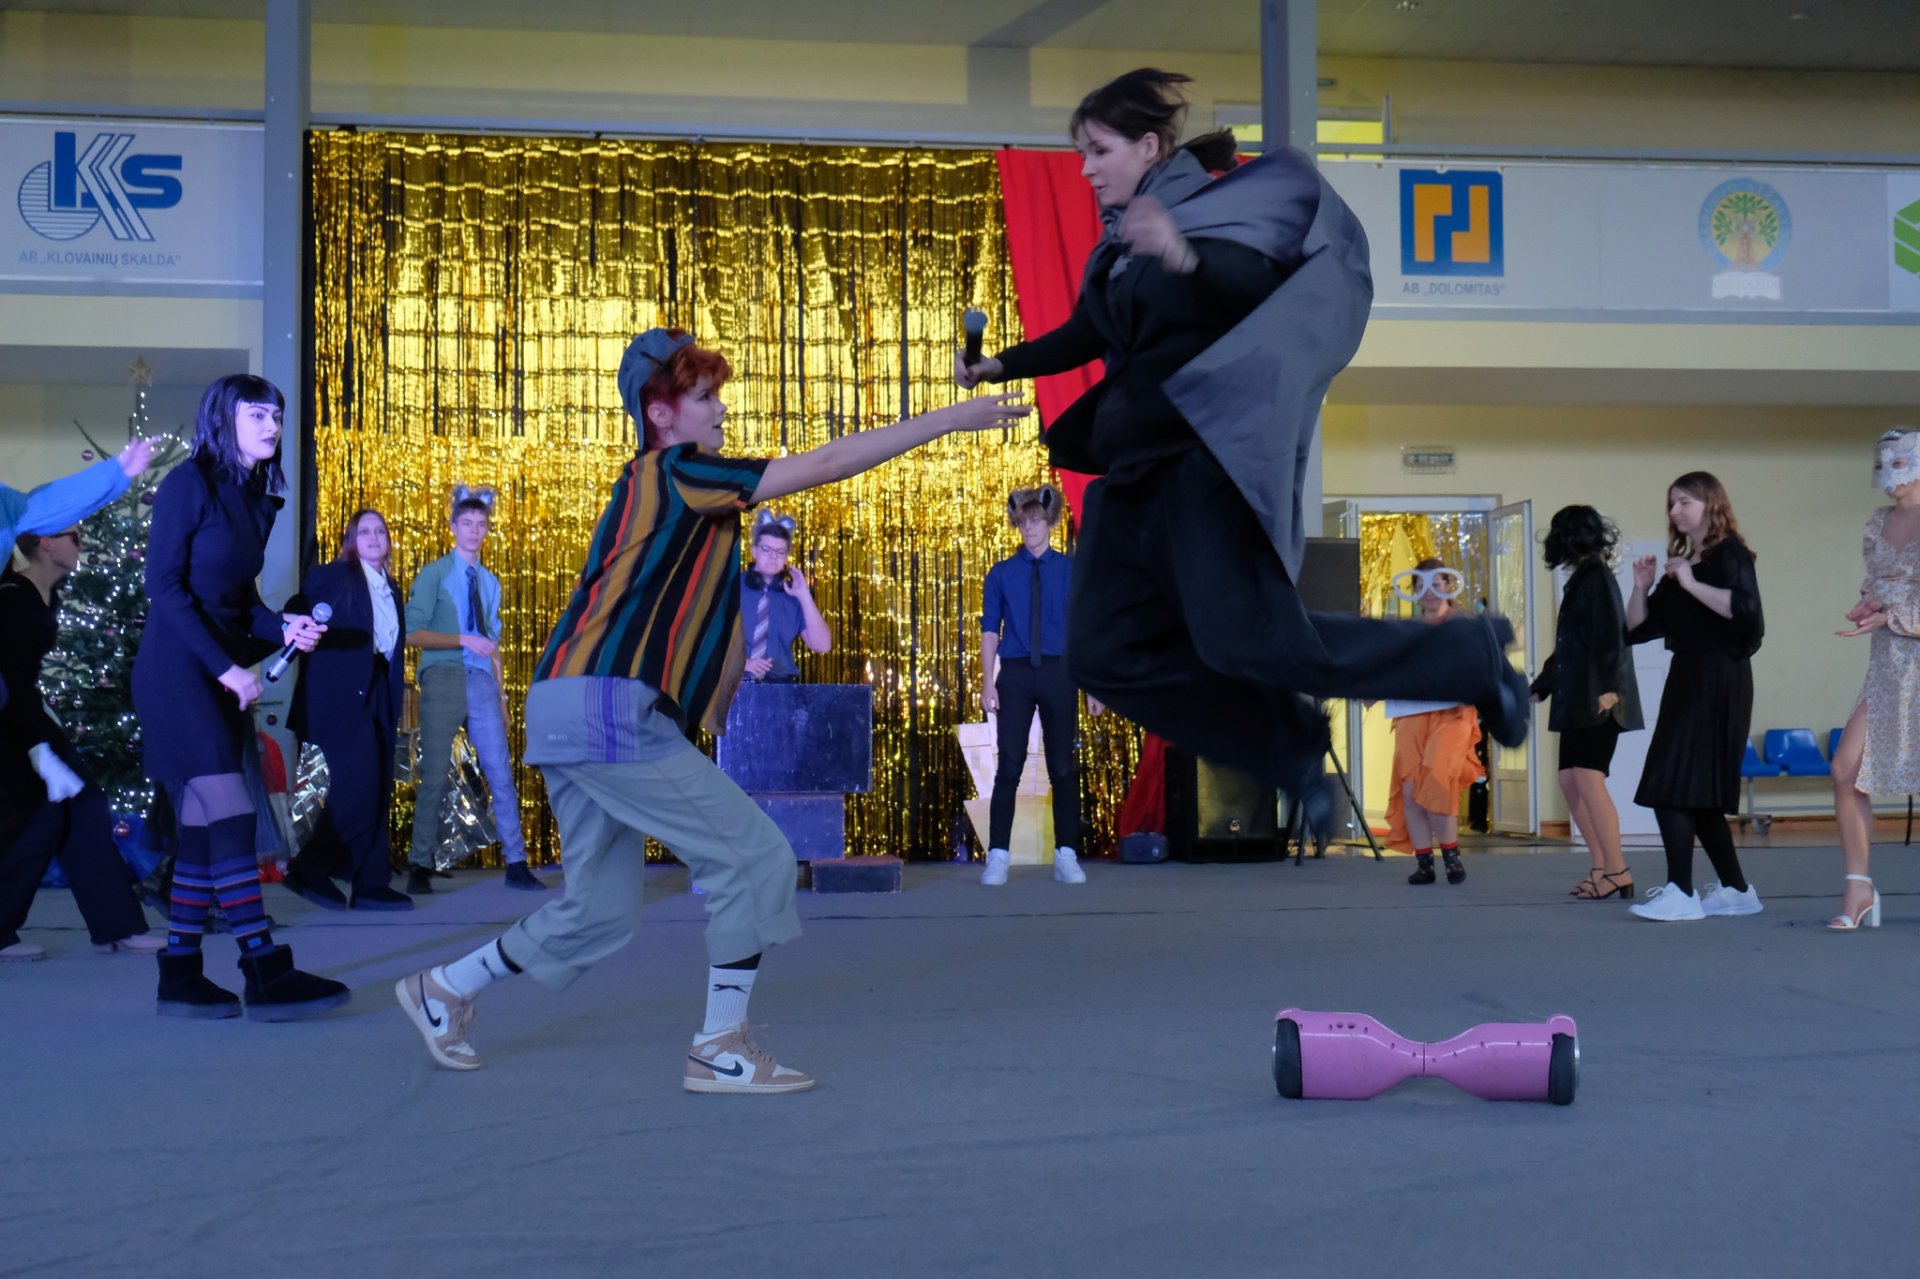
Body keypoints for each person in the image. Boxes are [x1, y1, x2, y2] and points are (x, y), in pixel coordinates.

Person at [395, 327, 1028, 1087]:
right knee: (753, 857)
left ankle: (444, 988)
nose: (721, 408)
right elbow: (824, 464)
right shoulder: (678, 468)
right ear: (661, 414)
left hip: (568, 706)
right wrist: (950, 419)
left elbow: (700, 618)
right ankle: (720, 1045)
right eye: (703, 396)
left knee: (599, 909)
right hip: (606, 704)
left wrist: (709, 701)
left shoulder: (664, 492)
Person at [955, 68, 1527, 830]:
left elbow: (1257, 288)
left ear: (1149, 146)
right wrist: (1001, 364)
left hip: (1202, 462)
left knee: (1255, 644)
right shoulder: (1120, 241)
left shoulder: (1211, 214)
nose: (1086, 168)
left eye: (1099, 150)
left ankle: (1464, 660)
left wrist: (1183, 254)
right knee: (1101, 653)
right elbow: (1089, 330)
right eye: (1080, 153)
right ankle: (1290, 743)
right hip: (1133, 473)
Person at [134, 373, 348, 1017]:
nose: (272, 426)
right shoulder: (188, 484)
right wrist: (227, 669)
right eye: (257, 415)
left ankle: (180, 973)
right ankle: (263, 967)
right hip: (176, 671)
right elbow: (164, 587)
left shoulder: (253, 496)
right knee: (230, 809)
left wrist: (283, 627)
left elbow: (239, 601)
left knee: (205, 828)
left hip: (215, 671)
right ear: (222, 418)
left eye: (276, 415)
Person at [0, 526, 163, 962]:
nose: (82, 545)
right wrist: (38, 748)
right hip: (11, 722)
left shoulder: (46, 595)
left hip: (28, 715)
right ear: (46, 543)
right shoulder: (13, 597)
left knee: (86, 807)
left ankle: (118, 927)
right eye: (74, 537)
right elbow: (12, 680)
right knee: (42, 817)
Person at [1624, 472, 1765, 923]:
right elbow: (1637, 629)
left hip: (1720, 676)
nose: (1675, 511)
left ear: (1710, 503)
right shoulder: (1684, 563)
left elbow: (1747, 614)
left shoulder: (1730, 555)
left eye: (1684, 502)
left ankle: (1680, 893)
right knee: (1697, 794)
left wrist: (1689, 583)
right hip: (1688, 676)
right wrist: (1641, 585)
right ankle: (1737, 891)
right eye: (1671, 504)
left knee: (1668, 784)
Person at [403, 486, 545, 895]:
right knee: (434, 775)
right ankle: (419, 864)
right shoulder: (434, 574)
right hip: (443, 675)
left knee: (500, 771)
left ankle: (516, 862)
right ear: (452, 527)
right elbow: (410, 633)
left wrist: (502, 698)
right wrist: (463, 639)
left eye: (481, 525)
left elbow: (493, 646)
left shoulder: (489, 582)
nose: (474, 531)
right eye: (466, 523)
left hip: (482, 681)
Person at [285, 508, 411, 911]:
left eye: (380, 530)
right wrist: (295, 623)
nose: (373, 537)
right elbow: (300, 604)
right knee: (359, 787)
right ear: (351, 540)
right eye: (364, 531)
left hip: (377, 691)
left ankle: (371, 883)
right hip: (339, 697)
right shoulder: (335, 576)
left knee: (378, 786)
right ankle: (310, 867)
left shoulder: (391, 588)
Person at [977, 485, 1101, 885]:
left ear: (1049, 522)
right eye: (1023, 522)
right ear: (1017, 524)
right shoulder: (1001, 573)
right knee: (1009, 765)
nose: (1030, 528)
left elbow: (1084, 629)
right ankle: (998, 855)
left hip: (1059, 671)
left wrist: (1092, 685)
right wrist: (988, 683)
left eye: (1036, 520)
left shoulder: (1070, 570)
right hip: (1015, 674)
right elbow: (989, 631)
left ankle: (1066, 853)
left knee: (1062, 765)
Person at [1826, 427, 1920, 931]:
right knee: (1845, 769)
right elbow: (1877, 583)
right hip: (1888, 666)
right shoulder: (1877, 522)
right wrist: (1869, 605)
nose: (1889, 475)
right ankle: (1858, 886)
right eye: (1883, 464)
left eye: (1899, 463)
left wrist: (1895, 613)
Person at [1533, 506, 1644, 900]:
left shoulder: (1597, 578)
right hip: (1577, 697)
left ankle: (1617, 870)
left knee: (1588, 778)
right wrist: (1541, 686)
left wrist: (1612, 689)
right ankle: (1601, 866)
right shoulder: (1581, 579)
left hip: (1599, 697)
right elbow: (1569, 647)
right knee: (1570, 780)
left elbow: (1614, 637)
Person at [1385, 560, 1484, 887]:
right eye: (1421, 585)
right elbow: (1388, 668)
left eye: (1436, 584)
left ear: (1449, 585)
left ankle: (1451, 857)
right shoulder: (1406, 631)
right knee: (1411, 788)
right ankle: (1424, 863)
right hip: (1412, 713)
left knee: (1438, 778)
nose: (1429, 591)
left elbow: (1484, 663)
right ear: (1413, 591)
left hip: (1453, 714)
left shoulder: (1465, 624)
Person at [738, 509, 831, 683]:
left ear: (787, 556)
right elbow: (708, 638)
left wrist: (804, 595)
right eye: (766, 549)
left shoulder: (793, 596)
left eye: (780, 551)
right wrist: (740, 664)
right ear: (754, 551)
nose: (773, 556)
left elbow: (823, 645)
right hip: (734, 684)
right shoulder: (733, 587)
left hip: (781, 688)